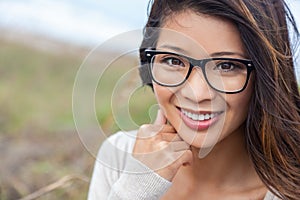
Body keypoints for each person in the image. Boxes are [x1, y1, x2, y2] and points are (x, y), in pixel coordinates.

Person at [88, 0, 300, 199]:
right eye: (173, 61)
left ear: (265, 77)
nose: (197, 94)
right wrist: (138, 187)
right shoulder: (120, 157)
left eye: (226, 66)